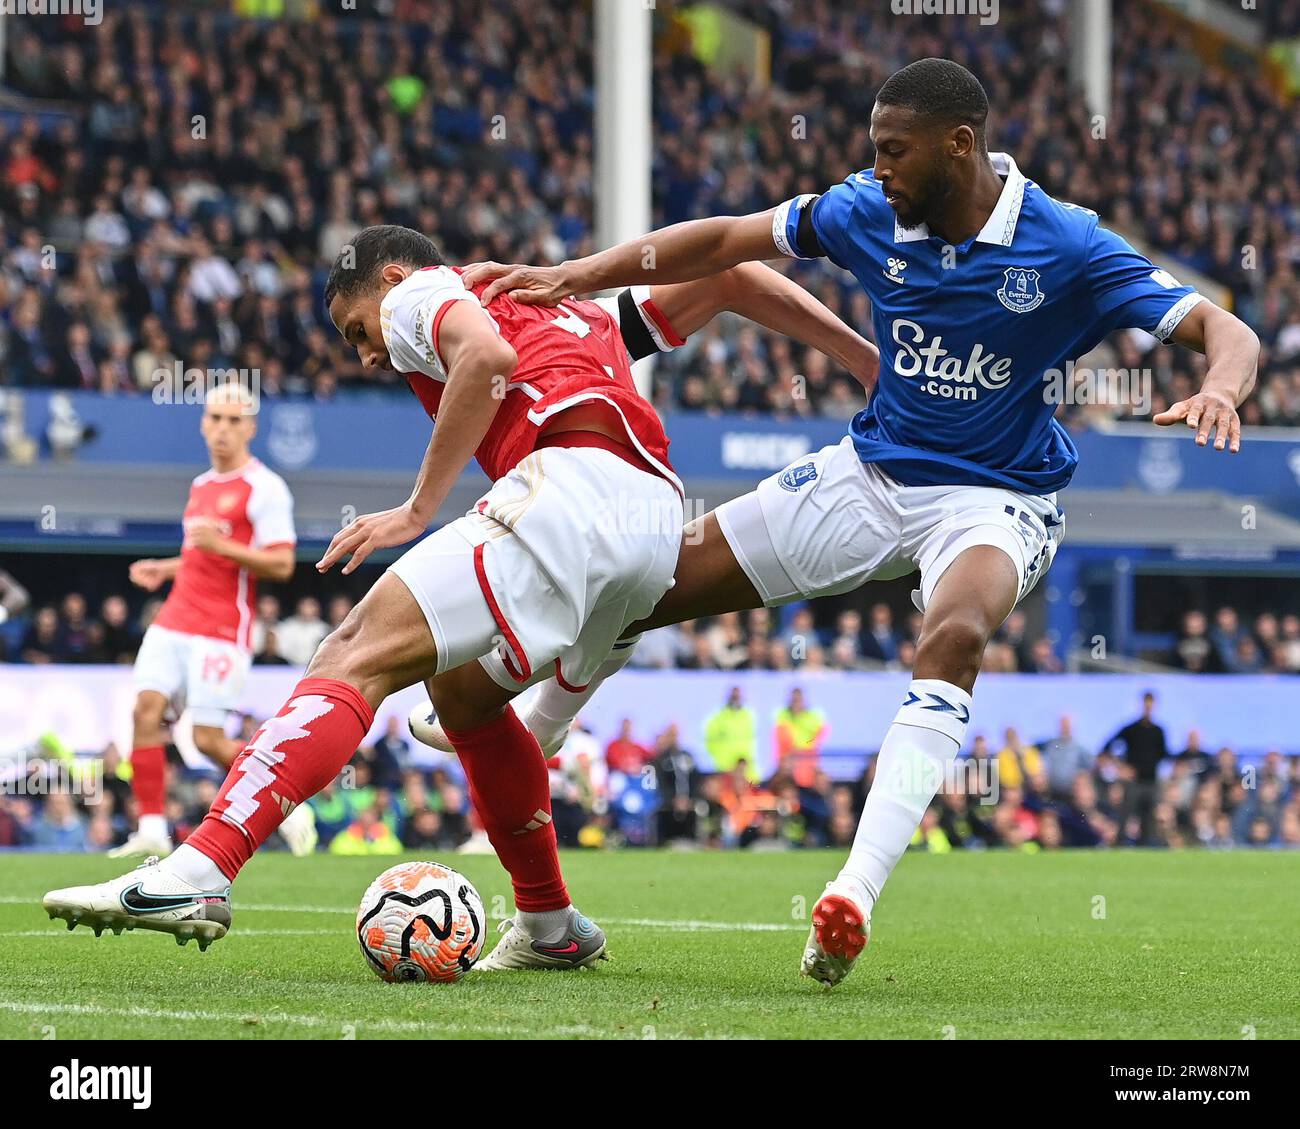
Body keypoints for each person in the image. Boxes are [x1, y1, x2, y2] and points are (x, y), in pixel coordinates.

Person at [457, 57, 1257, 985]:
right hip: (868, 475)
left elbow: (1221, 329)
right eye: (873, 152)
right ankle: (545, 730)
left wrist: (1222, 391)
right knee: (646, 583)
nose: (877, 170)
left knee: (953, 633)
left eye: (893, 152)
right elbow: (726, 239)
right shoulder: (864, 212)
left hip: (995, 497)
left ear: (960, 146)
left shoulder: (1067, 246)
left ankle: (852, 894)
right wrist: (578, 273)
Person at [44, 223, 876, 968]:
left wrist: (415, 509)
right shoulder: (567, 308)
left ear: (390, 277)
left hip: (572, 490)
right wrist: (861, 360)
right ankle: (550, 923)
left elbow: (485, 359)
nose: (368, 353)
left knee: (353, 652)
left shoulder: (420, 294)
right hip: (652, 522)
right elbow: (731, 275)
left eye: (356, 330)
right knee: (463, 696)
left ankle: (198, 870)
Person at [109, 382, 309, 859]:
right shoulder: (200, 486)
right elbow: (200, 558)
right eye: (215, 418)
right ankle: (153, 828)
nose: (223, 429)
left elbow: (281, 563)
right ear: (203, 423)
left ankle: (288, 802)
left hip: (222, 629)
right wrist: (166, 567)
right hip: (175, 617)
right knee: (144, 712)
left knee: (206, 738)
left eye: (233, 420)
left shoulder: (265, 487)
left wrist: (221, 547)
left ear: (251, 429)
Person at [1102, 692, 1169, 844]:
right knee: (1125, 817)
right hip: (1134, 783)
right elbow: (1107, 746)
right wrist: (1121, 767)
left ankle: (1144, 850)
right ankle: (1119, 845)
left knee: (1148, 821)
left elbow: (1164, 755)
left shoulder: (1158, 731)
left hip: (1151, 782)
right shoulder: (1131, 729)